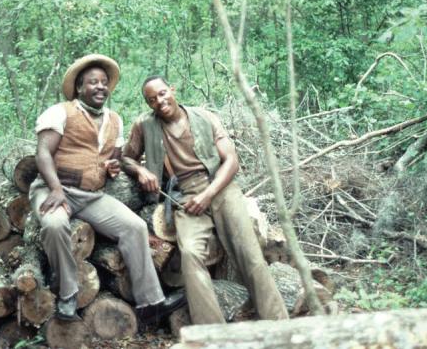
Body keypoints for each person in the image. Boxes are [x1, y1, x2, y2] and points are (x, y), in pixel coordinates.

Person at [122, 75, 289, 325]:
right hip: (184, 196)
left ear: (172, 89)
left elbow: (231, 161)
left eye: (162, 93)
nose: (159, 101)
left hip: (220, 187)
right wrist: (141, 170)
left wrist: (207, 195)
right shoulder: (144, 125)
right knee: (190, 253)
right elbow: (127, 157)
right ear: (149, 104)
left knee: (249, 252)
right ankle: (212, 333)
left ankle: (279, 323)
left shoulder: (203, 117)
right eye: (152, 99)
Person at [29, 55, 185, 323]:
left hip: (92, 196)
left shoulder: (115, 119)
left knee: (135, 226)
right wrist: (55, 189)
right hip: (54, 188)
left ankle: (150, 302)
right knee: (54, 225)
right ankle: (68, 296)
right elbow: (42, 153)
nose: (100, 87)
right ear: (79, 88)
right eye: (92, 82)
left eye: (104, 82)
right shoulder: (60, 111)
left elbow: (112, 158)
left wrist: (110, 167)